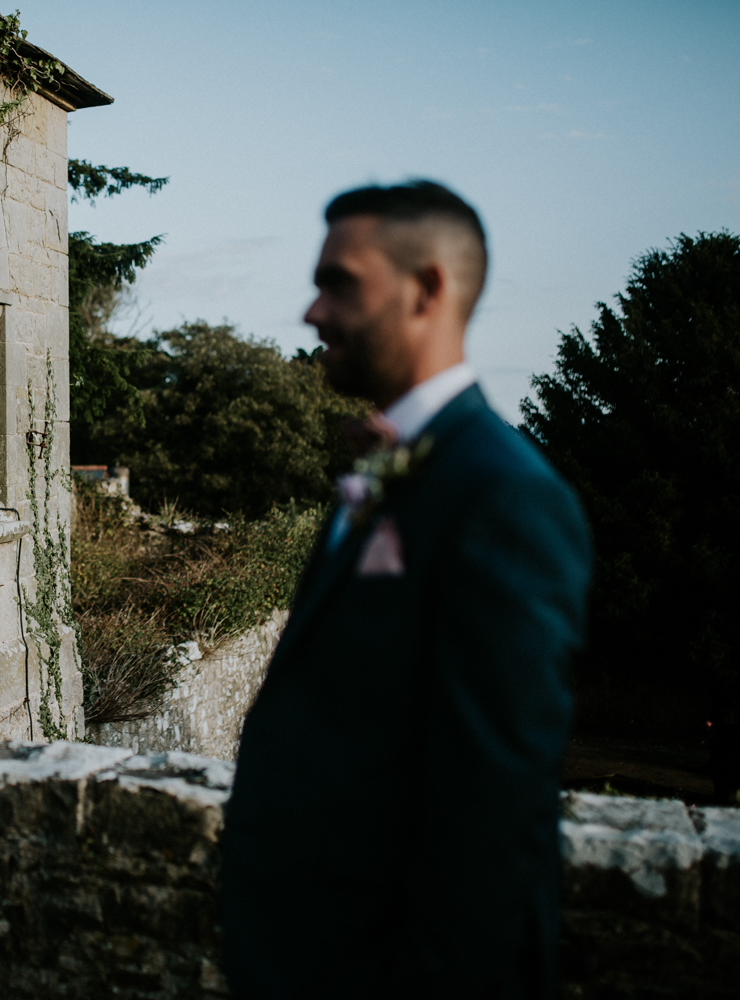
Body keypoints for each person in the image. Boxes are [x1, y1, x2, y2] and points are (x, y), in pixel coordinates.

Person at [222, 181, 592, 999]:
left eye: (340, 284)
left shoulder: (505, 498)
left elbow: (493, 820)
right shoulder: (389, 466)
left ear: (427, 289)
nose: (312, 312)